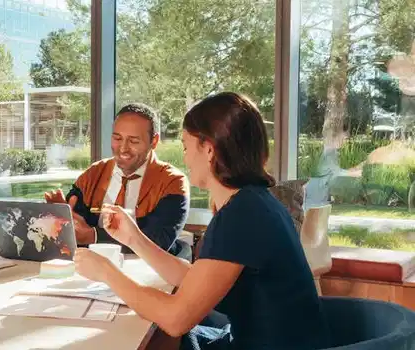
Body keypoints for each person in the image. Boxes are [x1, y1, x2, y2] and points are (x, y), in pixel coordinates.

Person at [73, 92, 330, 350]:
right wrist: (134, 239)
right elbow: (196, 279)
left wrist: (107, 273)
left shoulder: (242, 215)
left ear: (208, 149)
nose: (184, 158)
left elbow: (175, 319)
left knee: (162, 338)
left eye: (186, 147)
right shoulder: (254, 201)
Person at [45, 103, 190, 257]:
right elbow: (75, 226)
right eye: (117, 138)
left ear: (154, 141)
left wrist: (94, 236)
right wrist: (64, 217)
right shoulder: (93, 174)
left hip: (147, 268)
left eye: (133, 141)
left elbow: (157, 240)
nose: (123, 149)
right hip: (92, 265)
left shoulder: (172, 182)